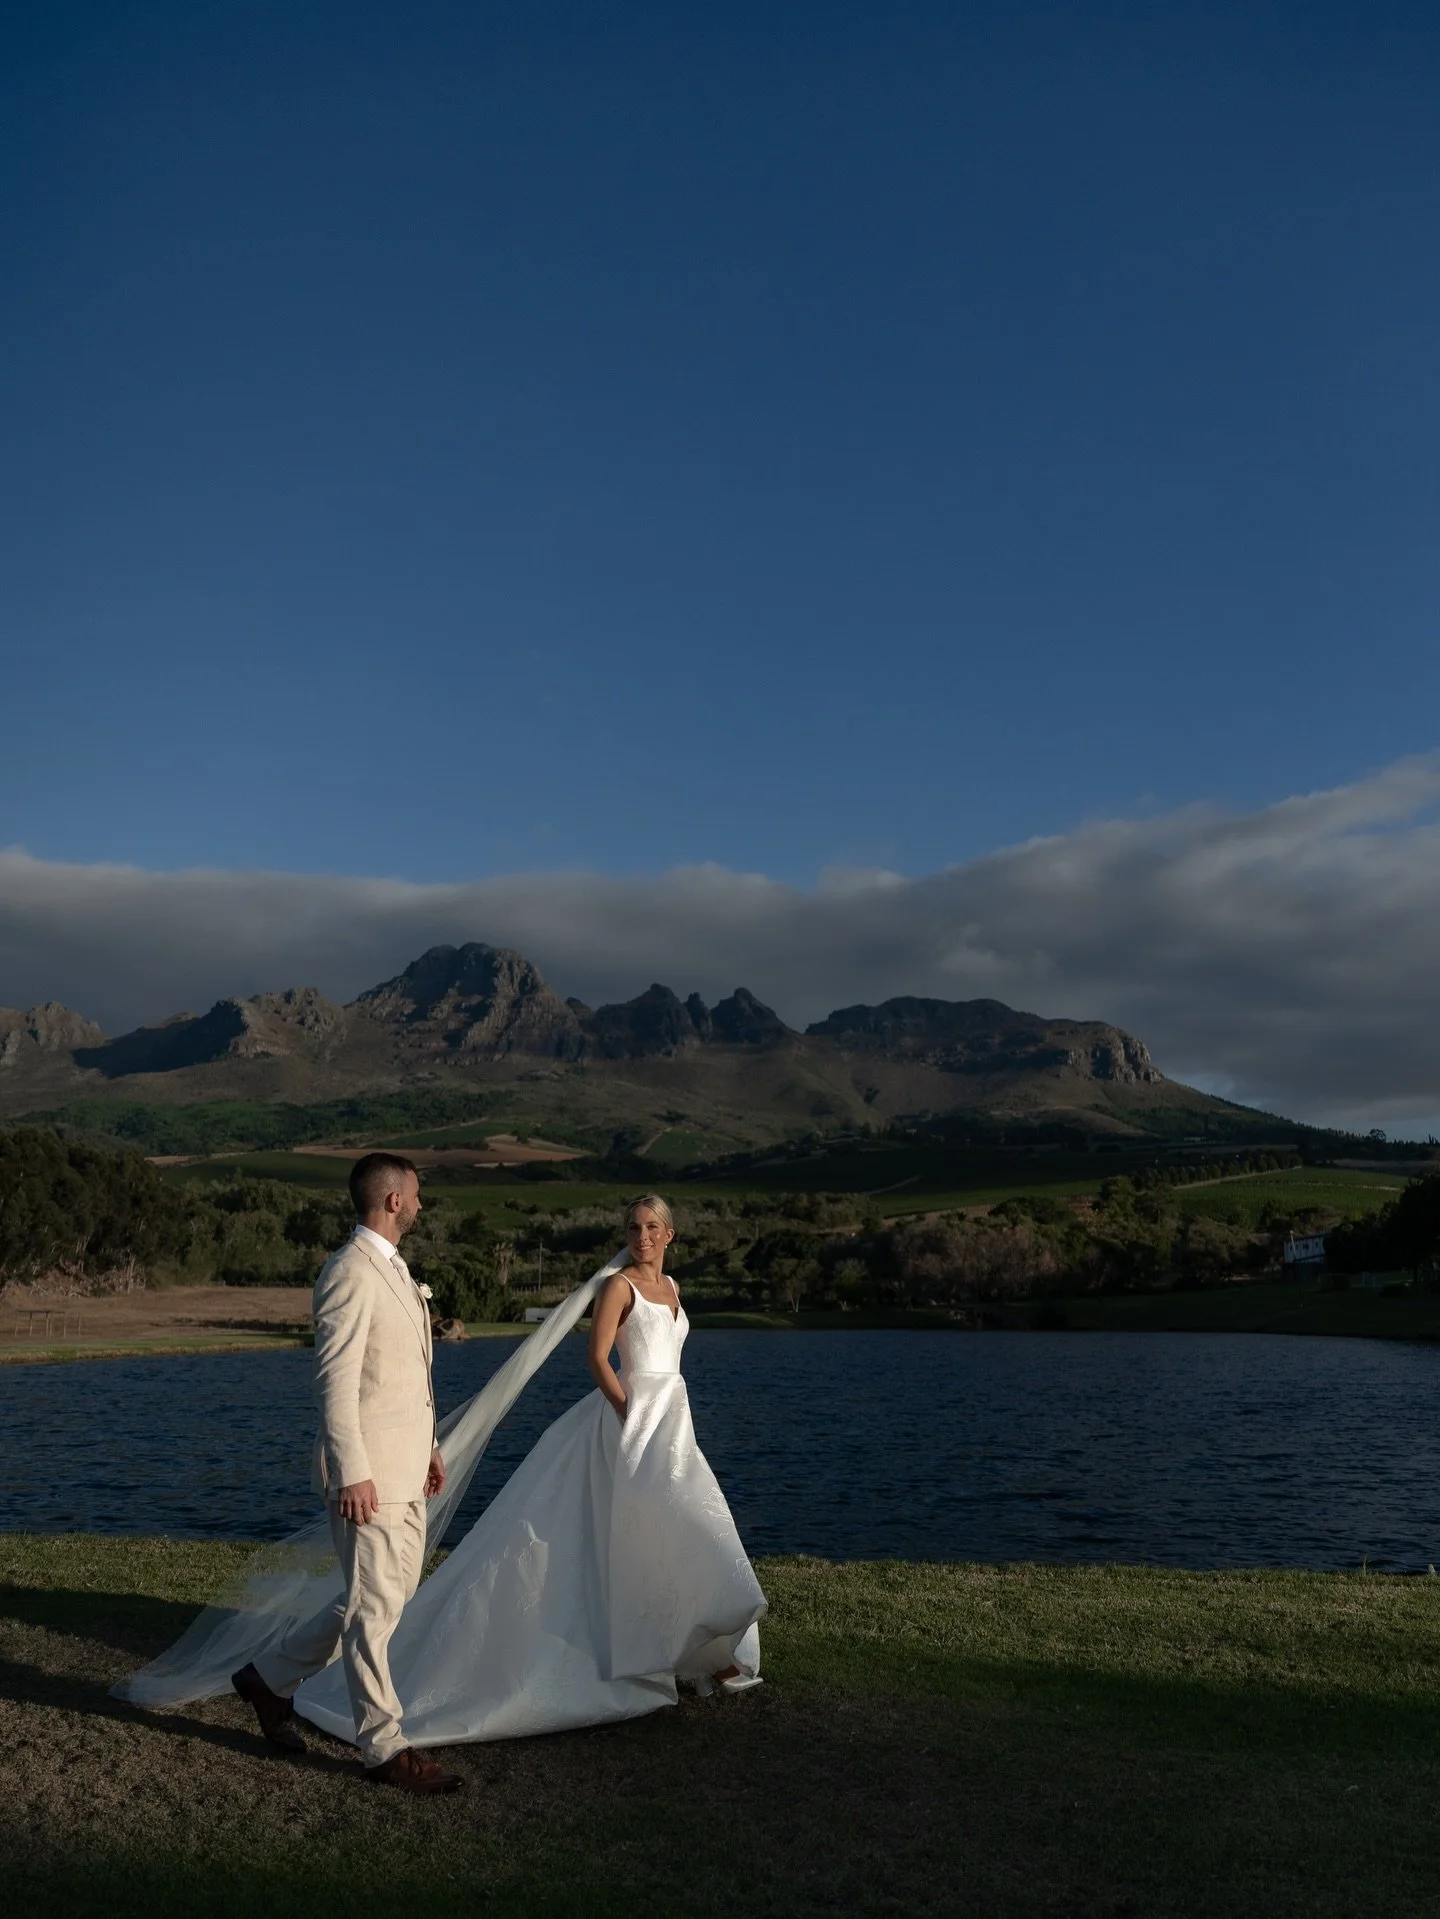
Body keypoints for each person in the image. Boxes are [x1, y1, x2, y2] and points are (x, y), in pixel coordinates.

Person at [291, 1195, 766, 1749]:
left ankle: (704, 1650)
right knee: (624, 1533)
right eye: (633, 1227)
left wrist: (660, 1417)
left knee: (683, 1525)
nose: (641, 1236)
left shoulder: (676, 1289)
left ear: (670, 1236)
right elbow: (597, 1359)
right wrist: (630, 1412)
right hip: (632, 1421)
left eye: (651, 1227)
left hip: (674, 1424)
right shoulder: (619, 1287)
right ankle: (645, 1652)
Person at [230, 1152, 462, 1795]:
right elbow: (334, 1386)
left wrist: (431, 1447)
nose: (420, 1201)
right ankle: (383, 1747)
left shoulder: (395, 1268)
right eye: (415, 1192)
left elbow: (400, 1379)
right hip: (368, 1475)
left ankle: (269, 1678)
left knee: (387, 1596)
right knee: (374, 1607)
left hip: (408, 1467)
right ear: (393, 1200)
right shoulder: (349, 1272)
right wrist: (353, 1471)